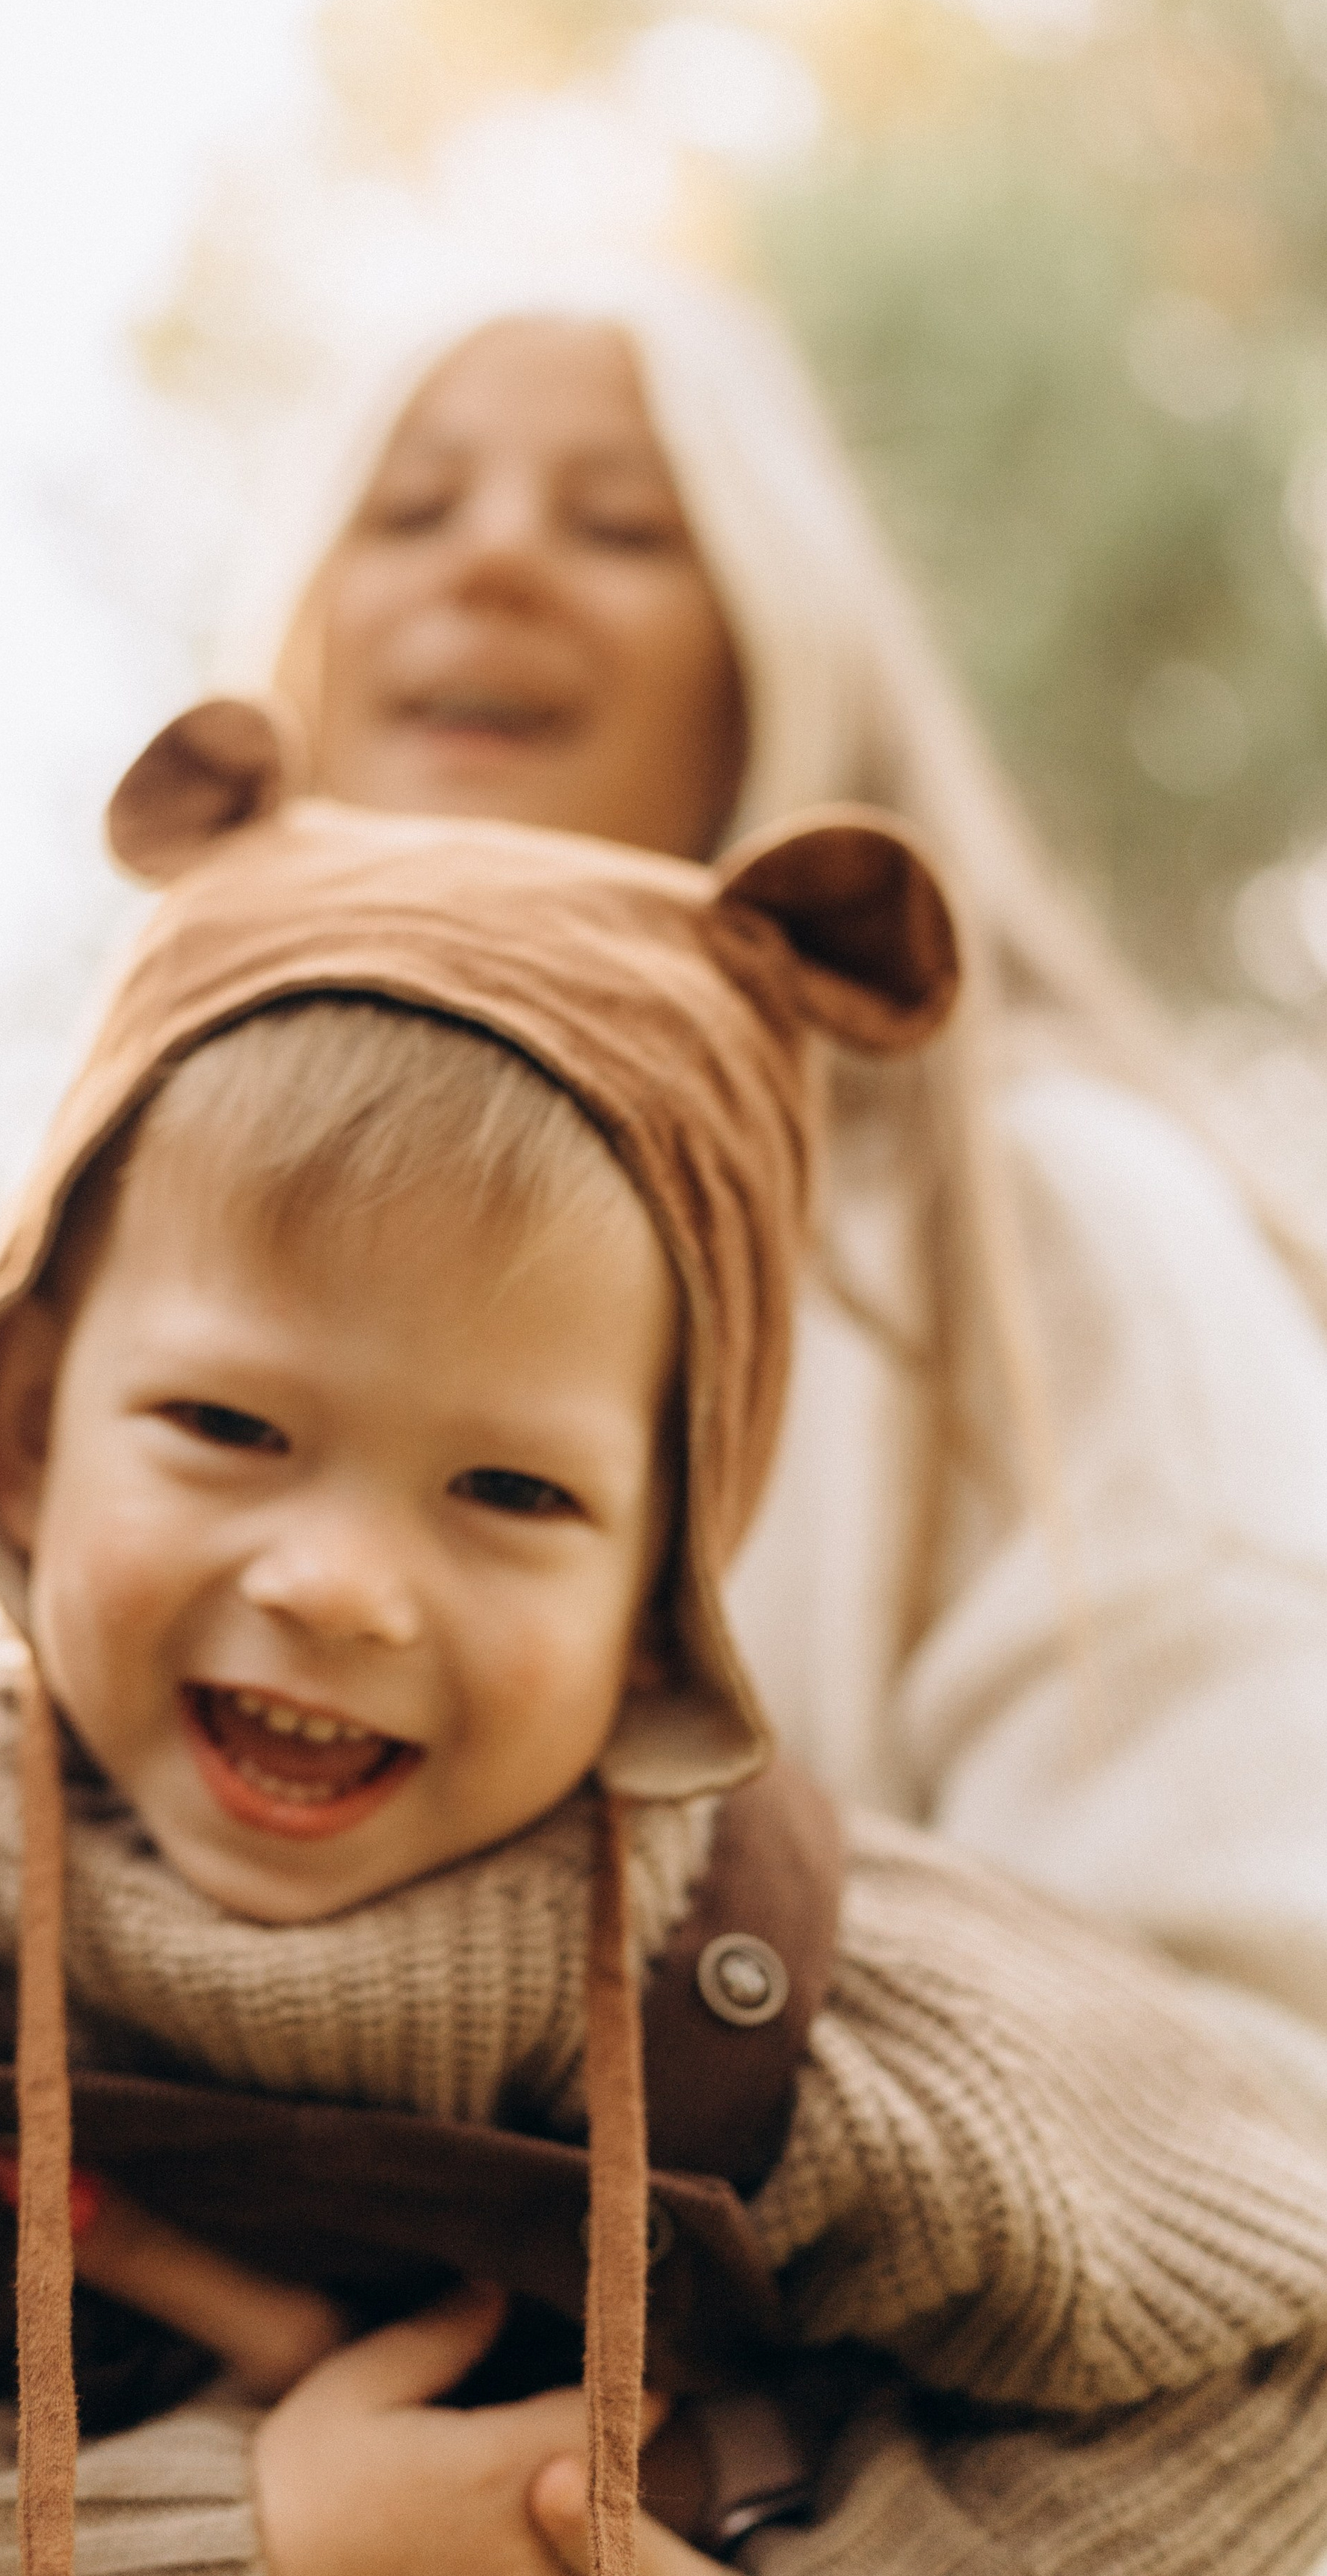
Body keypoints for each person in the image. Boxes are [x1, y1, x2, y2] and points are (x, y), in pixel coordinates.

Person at [0, 745, 1327, 2576]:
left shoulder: (797, 1985)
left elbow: (1267, 2326)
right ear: (26, 1422)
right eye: (230, 1429)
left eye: (512, 1493)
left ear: (668, 1580)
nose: (339, 1585)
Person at [213, 291, 1327, 2115]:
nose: (489, 556)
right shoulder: (144, 1273)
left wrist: (643, 2386)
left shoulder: (1039, 1222)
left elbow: (1248, 2077)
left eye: (623, 524)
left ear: (774, 649)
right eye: (408, 509)